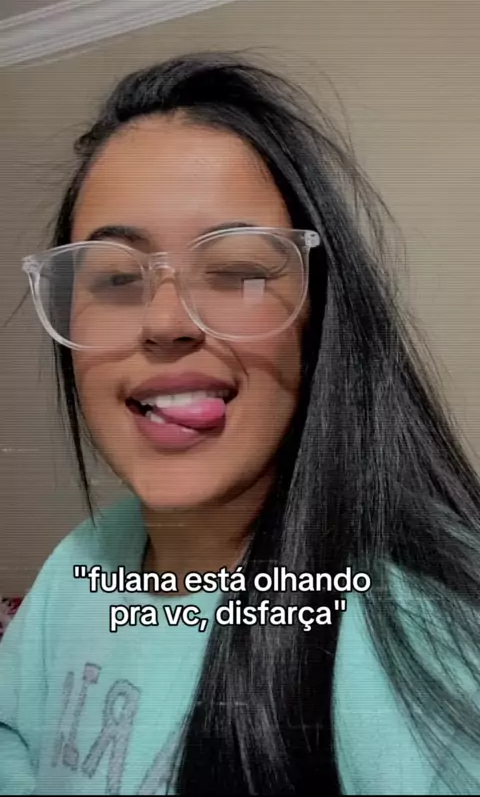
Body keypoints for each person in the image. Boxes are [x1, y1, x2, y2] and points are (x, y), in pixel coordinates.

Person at [1, 51, 479, 796]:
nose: (166, 322)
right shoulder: (81, 563)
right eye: (116, 278)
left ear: (320, 321)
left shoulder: (428, 639)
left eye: (239, 272)